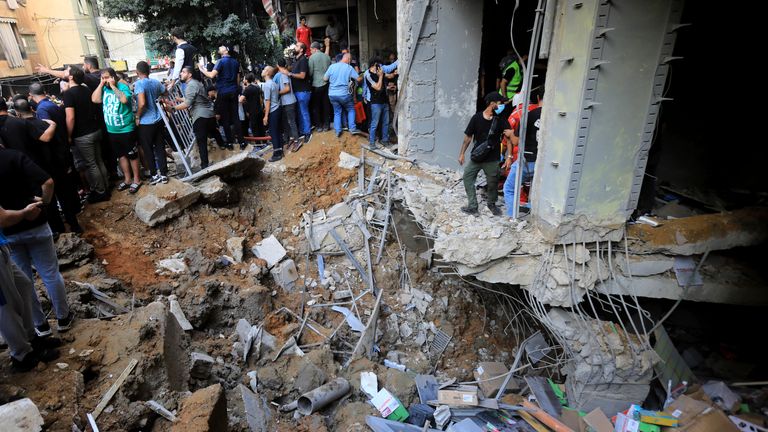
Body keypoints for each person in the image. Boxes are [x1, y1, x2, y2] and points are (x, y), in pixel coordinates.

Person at [0, 147, 75, 339]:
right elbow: (48, 181)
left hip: (10, 231)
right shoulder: (15, 156)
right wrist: (45, 203)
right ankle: (63, 317)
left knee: (25, 281)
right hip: (36, 224)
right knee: (50, 272)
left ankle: (40, 325)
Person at [1, 198, 63, 373]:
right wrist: (25, 213)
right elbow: (2, 218)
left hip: (2, 245)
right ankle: (21, 354)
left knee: (24, 286)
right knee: (6, 306)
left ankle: (31, 338)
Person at [458, 92, 512, 216]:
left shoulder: (501, 120)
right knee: (467, 177)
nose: (502, 105)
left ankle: (491, 203)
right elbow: (468, 138)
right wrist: (462, 154)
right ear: (492, 104)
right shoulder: (476, 118)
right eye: (500, 103)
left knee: (493, 182)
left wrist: (509, 156)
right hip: (477, 157)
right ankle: (472, 205)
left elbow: (508, 139)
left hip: (492, 159)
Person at [62, 67, 110, 203]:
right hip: (95, 130)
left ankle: (100, 192)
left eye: (67, 71)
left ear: (71, 77)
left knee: (91, 164)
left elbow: (70, 117)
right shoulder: (86, 89)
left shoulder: (69, 94)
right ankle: (105, 187)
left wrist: (69, 135)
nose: (65, 72)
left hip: (83, 135)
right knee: (99, 160)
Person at [92, 68, 142, 194]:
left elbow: (124, 100)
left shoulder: (122, 86)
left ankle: (137, 179)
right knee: (121, 156)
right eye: (103, 78)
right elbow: (95, 99)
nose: (105, 80)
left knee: (132, 155)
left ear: (113, 77)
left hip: (126, 128)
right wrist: (101, 84)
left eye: (107, 77)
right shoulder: (103, 88)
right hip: (112, 130)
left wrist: (113, 86)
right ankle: (127, 179)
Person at [169, 66, 224, 169]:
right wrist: (179, 99)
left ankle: (204, 166)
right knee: (214, 131)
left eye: (183, 72)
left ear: (189, 74)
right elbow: (193, 98)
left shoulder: (190, 86)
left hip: (200, 116)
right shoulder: (196, 83)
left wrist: (172, 108)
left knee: (201, 142)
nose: (181, 74)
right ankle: (223, 145)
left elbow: (187, 104)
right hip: (209, 114)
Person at [503, 87, 543, 216]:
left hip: (525, 159)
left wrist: (510, 133)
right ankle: (532, 213)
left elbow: (515, 141)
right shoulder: (557, 116)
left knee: (509, 188)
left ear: (538, 97)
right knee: (536, 190)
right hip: (544, 163)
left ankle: (512, 216)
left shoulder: (526, 115)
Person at [201, 46, 244, 149]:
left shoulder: (220, 62)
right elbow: (238, 80)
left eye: (220, 48)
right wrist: (236, 90)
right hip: (233, 91)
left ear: (225, 50)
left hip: (223, 91)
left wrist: (201, 69)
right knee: (235, 116)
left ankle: (229, 143)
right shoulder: (235, 62)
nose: (218, 49)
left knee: (225, 118)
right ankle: (242, 142)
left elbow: (211, 75)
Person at [134, 61, 169, 185]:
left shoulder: (138, 84)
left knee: (148, 149)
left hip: (146, 123)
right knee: (160, 147)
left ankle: (154, 175)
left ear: (137, 72)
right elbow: (165, 92)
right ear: (148, 71)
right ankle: (164, 174)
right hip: (159, 119)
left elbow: (142, 103)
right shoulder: (155, 82)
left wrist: (137, 116)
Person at [324, 53, 362, 137]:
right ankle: (352, 128)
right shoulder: (349, 67)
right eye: (350, 60)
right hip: (344, 94)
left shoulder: (332, 66)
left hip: (332, 94)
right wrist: (362, 75)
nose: (350, 62)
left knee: (337, 112)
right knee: (351, 109)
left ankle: (338, 131)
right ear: (348, 59)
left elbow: (325, 78)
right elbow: (358, 79)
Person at [287, 42, 312, 144]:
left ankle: (307, 133)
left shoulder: (303, 61)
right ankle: (303, 131)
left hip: (303, 91)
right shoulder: (296, 60)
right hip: (298, 91)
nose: (294, 47)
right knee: (300, 112)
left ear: (301, 49)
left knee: (304, 112)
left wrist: (290, 74)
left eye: (297, 46)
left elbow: (302, 75)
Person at [363, 57, 389, 149]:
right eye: (379, 66)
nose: (380, 68)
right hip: (376, 103)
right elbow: (378, 87)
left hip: (385, 101)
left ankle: (385, 140)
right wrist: (381, 76)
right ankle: (372, 142)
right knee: (375, 123)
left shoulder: (379, 72)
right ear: (374, 66)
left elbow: (389, 76)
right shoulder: (368, 75)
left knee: (386, 122)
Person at [276, 58, 301, 152]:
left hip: (289, 102)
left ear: (278, 65)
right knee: (288, 122)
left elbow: (287, 89)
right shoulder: (285, 73)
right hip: (288, 101)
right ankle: (292, 139)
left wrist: (277, 93)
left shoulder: (283, 75)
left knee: (291, 122)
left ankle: (297, 141)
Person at [308, 41, 332, 132]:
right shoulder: (327, 57)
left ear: (314, 49)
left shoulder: (312, 58)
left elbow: (310, 72)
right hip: (327, 84)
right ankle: (327, 125)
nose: (310, 51)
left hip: (316, 84)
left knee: (316, 105)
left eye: (311, 49)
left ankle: (319, 126)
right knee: (326, 105)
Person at [261, 66, 282, 162]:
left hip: (272, 111)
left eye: (264, 70)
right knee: (277, 131)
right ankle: (280, 150)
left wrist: (266, 116)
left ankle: (277, 154)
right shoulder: (274, 83)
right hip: (277, 109)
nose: (262, 71)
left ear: (268, 73)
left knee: (273, 133)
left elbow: (268, 101)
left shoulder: (267, 85)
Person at [240, 72, 265, 138]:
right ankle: (264, 141)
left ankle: (258, 144)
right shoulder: (257, 87)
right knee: (261, 127)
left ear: (246, 80)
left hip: (252, 111)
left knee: (254, 128)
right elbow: (261, 99)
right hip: (259, 109)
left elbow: (240, 100)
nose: (243, 80)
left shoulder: (247, 89)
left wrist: (244, 100)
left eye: (244, 79)